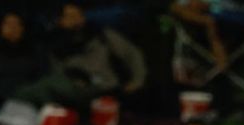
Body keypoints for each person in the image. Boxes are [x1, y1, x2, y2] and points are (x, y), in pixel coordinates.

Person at [15, 2, 146, 111]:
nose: (76, 20)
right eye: (70, 17)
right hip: (72, 88)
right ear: (61, 21)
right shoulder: (56, 44)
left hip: (103, 86)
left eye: (79, 15)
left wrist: (137, 81)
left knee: (35, 90)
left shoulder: (102, 35)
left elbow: (133, 54)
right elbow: (56, 73)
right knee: (33, 92)